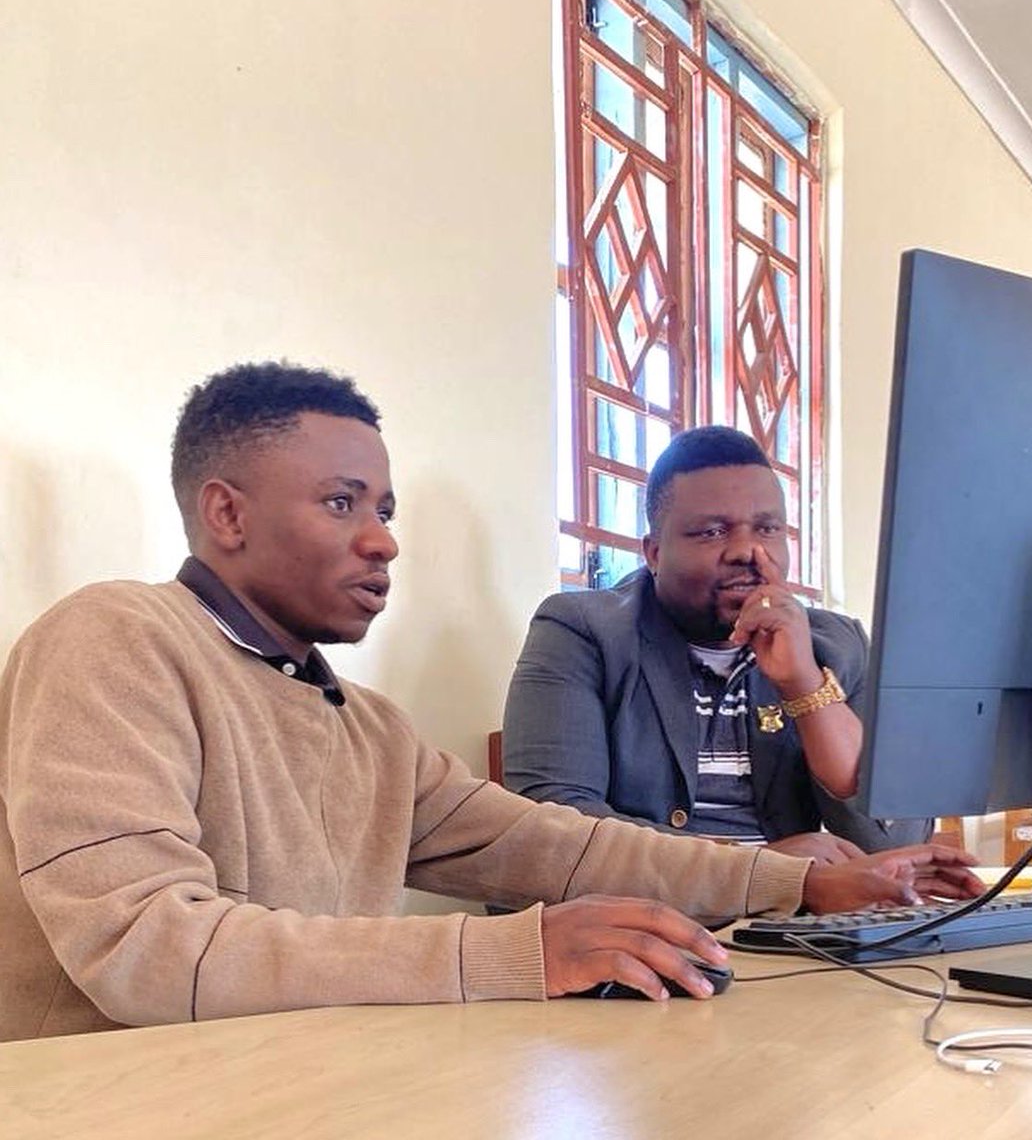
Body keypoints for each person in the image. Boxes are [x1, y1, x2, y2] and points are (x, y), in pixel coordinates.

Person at [0, 364, 982, 1043]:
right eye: (343, 503)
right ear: (226, 513)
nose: (383, 541)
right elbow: (146, 949)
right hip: (108, 1097)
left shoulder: (366, 726)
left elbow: (563, 846)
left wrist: (802, 888)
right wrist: (518, 952)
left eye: (384, 510)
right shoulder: (117, 639)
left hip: (294, 1082)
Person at [503, 426, 931, 861]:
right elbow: (554, 827)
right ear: (653, 553)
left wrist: (806, 687)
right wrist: (762, 871)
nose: (746, 551)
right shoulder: (582, 631)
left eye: (767, 529)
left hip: (796, 923)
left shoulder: (836, 647)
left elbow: (895, 849)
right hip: (636, 919)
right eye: (711, 532)